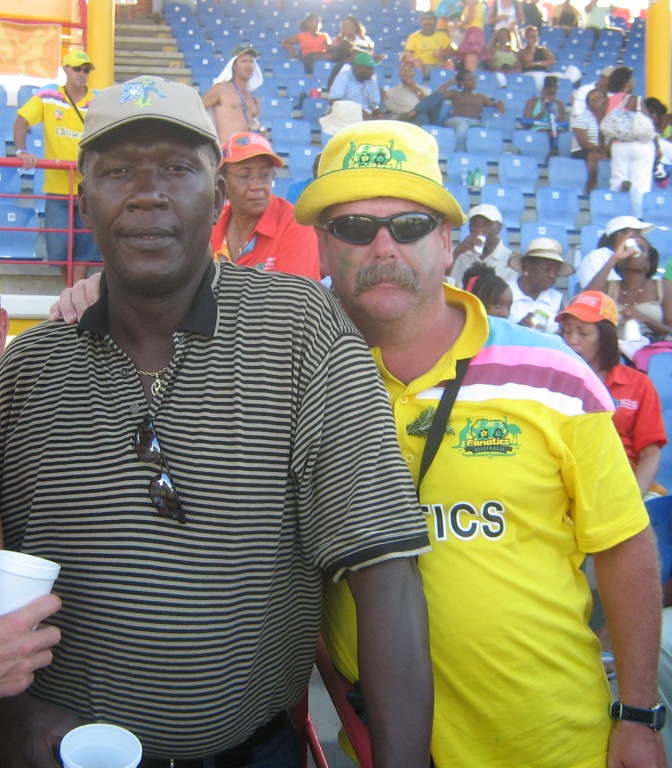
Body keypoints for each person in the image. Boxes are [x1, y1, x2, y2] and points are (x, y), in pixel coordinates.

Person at [0, 77, 434, 767]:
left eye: (177, 168)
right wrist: (12, 716)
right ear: (83, 201)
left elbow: (384, 571)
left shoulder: (302, 331)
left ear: (217, 196)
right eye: (118, 172)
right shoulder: (28, 369)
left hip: (252, 753)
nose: (148, 193)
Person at [290, 120, 666, 768]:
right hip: (378, 746)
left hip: (553, 744)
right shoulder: (295, 378)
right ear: (323, 247)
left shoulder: (555, 372)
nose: (383, 246)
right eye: (354, 227)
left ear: (446, 242)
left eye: (409, 225)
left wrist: (637, 715)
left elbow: (624, 546)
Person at [558, 290, 668, 498]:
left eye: (583, 333)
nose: (572, 340)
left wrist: (631, 501)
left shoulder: (638, 384)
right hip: (566, 483)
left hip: (622, 484)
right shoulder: (556, 380)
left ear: (606, 338)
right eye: (567, 331)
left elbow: (650, 454)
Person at [12, 50, 101, 284]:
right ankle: (73, 289)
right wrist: (21, 151)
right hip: (57, 188)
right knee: (58, 247)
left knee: (85, 246)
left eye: (86, 70)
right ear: (66, 69)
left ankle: (73, 290)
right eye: (77, 69)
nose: (82, 74)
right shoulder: (48, 95)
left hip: (88, 187)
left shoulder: (98, 100)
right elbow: (21, 120)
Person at [211, 132, 320, 278]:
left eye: (265, 175)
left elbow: (294, 292)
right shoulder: (212, 222)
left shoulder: (294, 224)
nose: (257, 186)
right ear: (222, 183)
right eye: (244, 176)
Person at [585, 234, 672, 343]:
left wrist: (645, 319)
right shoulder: (610, 287)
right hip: (614, 348)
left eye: (641, 248)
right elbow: (586, 300)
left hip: (653, 348)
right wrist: (614, 258)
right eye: (627, 249)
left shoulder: (663, 287)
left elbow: (670, 330)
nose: (633, 252)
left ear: (648, 264)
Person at [601, 66, 656, 217]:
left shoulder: (606, 101)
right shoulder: (635, 99)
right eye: (632, 80)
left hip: (617, 146)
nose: (634, 83)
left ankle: (616, 214)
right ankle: (637, 218)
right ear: (626, 83)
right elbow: (646, 125)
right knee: (640, 185)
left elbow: (603, 128)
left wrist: (603, 150)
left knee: (617, 181)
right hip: (639, 145)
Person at [507, 236, 574, 332]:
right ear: (527, 265)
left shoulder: (556, 299)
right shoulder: (506, 293)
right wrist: (520, 327)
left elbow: (563, 334)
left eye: (556, 270)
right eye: (546, 267)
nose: (552, 275)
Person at [201, 44, 263, 145]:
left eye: (251, 61)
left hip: (247, 150)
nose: (249, 65)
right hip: (226, 149)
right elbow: (197, 109)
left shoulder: (255, 101)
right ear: (234, 66)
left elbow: (255, 126)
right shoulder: (221, 89)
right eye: (244, 61)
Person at [577, 214, 654, 288]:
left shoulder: (638, 257)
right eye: (635, 233)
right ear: (618, 235)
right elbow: (591, 292)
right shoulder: (596, 257)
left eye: (639, 233)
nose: (639, 237)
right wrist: (614, 258)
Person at [449, 203, 516, 287]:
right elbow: (444, 281)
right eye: (475, 224)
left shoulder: (510, 261)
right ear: (469, 228)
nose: (480, 230)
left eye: (486, 224)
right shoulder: (461, 254)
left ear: (499, 228)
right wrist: (457, 252)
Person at [441, 70, 506, 151]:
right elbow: (438, 94)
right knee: (463, 125)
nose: (474, 81)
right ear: (462, 83)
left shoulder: (480, 96)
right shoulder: (455, 93)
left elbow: (494, 104)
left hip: (473, 122)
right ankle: (460, 151)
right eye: (470, 79)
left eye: (474, 78)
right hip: (456, 120)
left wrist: (500, 103)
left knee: (483, 130)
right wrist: (450, 82)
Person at [383, 61, 448, 126]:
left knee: (438, 95)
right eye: (403, 71)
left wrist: (414, 87)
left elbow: (428, 105)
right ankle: (412, 114)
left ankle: (413, 112)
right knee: (422, 116)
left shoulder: (424, 89)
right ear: (399, 73)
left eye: (409, 71)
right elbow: (386, 107)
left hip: (421, 118)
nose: (406, 73)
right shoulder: (391, 91)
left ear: (414, 73)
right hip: (402, 120)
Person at [570, 87, 608, 193]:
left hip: (603, 150)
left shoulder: (609, 119)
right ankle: (589, 190)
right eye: (592, 99)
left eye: (599, 98)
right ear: (587, 103)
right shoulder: (581, 118)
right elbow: (585, 144)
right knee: (593, 156)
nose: (596, 101)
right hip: (583, 151)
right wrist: (602, 151)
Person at [328, 52, 383, 119]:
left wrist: (377, 113)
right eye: (369, 68)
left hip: (365, 116)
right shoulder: (344, 77)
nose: (372, 71)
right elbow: (334, 101)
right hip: (344, 115)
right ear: (359, 67)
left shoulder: (372, 80)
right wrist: (357, 111)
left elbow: (374, 104)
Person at [402, 11, 456, 81]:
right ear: (421, 22)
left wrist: (442, 53)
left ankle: (448, 83)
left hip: (438, 66)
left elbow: (453, 51)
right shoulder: (413, 37)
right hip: (421, 66)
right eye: (425, 22)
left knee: (450, 63)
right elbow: (407, 55)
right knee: (417, 63)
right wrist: (415, 60)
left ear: (435, 22)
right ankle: (418, 81)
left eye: (430, 21)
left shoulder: (442, 36)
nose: (427, 24)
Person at [522, 75, 568, 151]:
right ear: (543, 91)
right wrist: (542, 112)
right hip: (538, 128)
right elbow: (526, 124)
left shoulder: (559, 104)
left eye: (553, 94)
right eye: (548, 93)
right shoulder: (531, 102)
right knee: (544, 133)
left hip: (555, 129)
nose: (551, 96)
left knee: (562, 134)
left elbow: (563, 124)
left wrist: (554, 113)